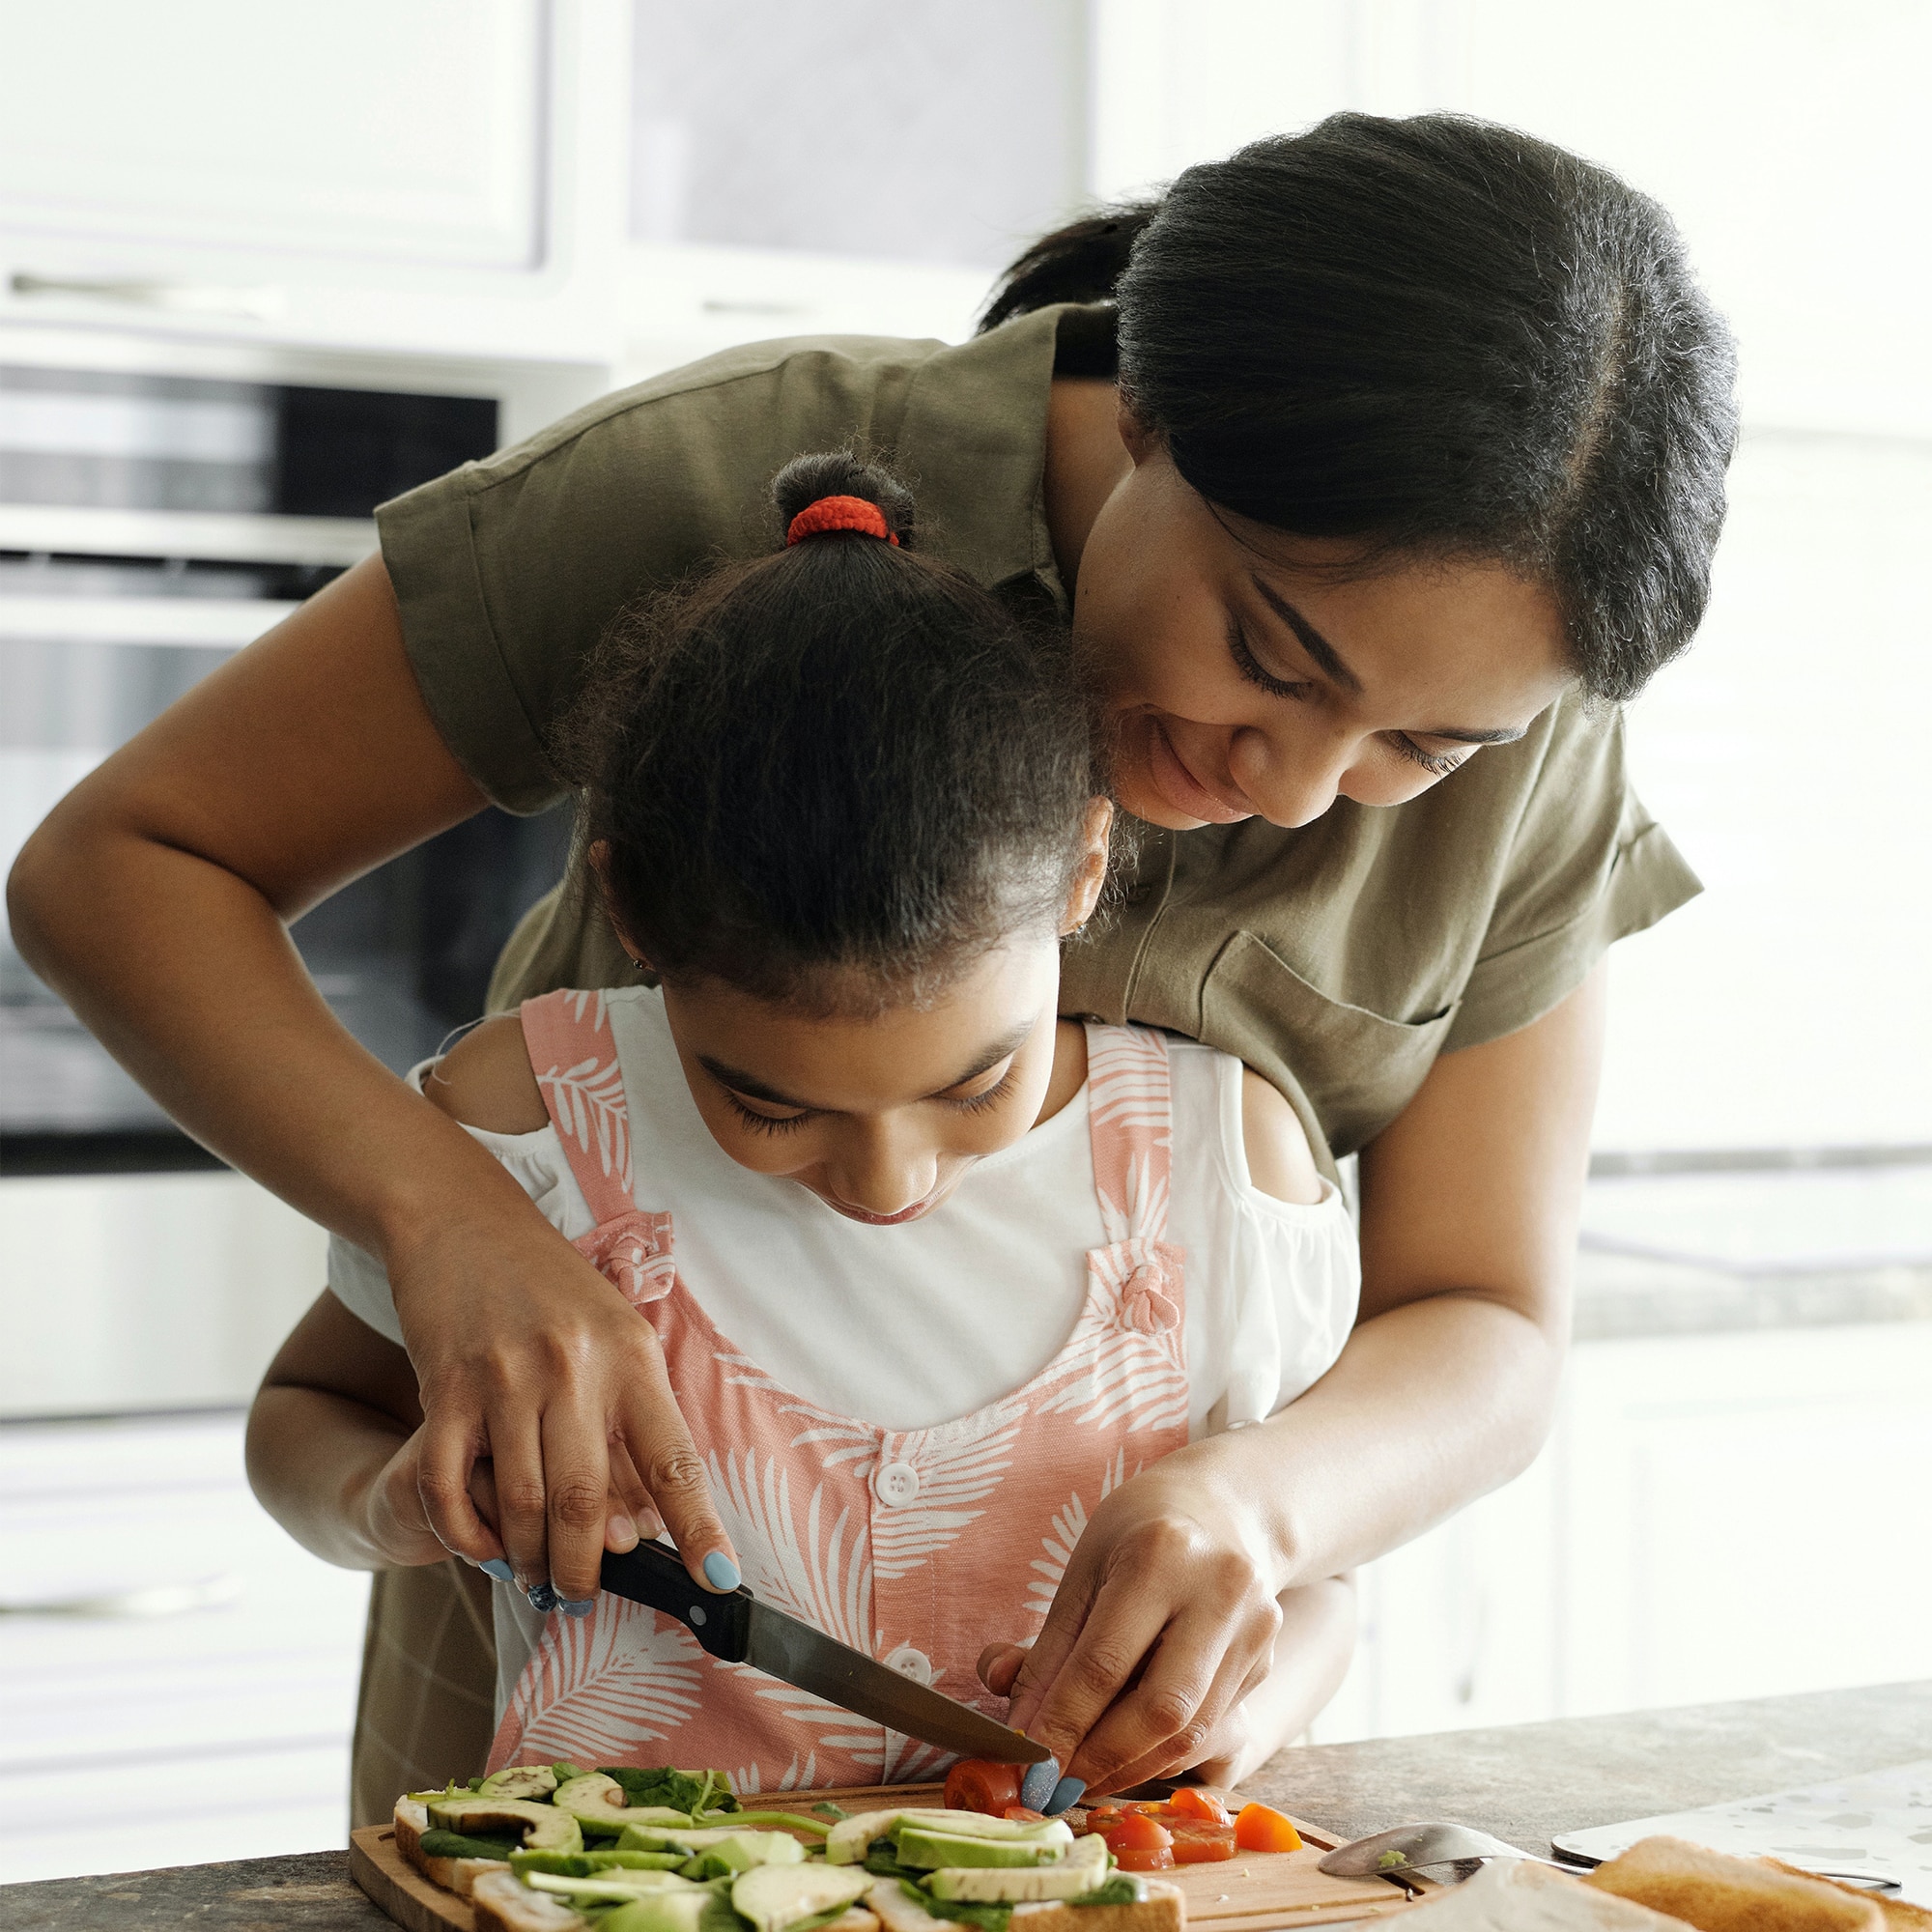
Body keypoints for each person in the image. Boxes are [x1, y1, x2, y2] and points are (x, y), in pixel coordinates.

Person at [6, 113, 1737, 1811]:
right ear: (1144, 415)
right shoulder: (721, 482)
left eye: (1416, 750)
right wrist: (447, 1221)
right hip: (563, 1741)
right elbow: (126, 867)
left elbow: (1488, 1320)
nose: (1289, 789)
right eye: (1269, 653)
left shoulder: (1531, 732)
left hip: (1112, 1794)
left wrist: (1270, 1525)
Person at [245, 453, 1362, 1791]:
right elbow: (302, 1416)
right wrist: (401, 1503)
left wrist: (1239, 1718)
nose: (885, 1181)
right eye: (766, 1101)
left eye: (971, 1086)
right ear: (636, 917)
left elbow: (1326, 1588)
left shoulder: (1221, 1171)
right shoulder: (534, 1125)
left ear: (1084, 865)